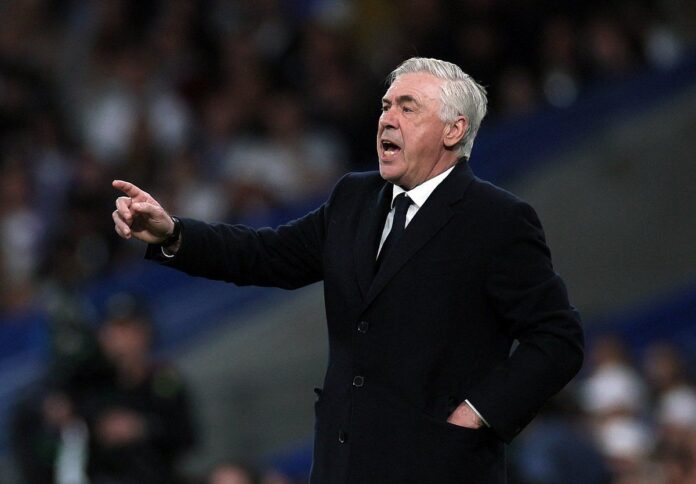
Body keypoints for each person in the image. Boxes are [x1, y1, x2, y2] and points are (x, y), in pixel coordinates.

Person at [112, 57, 583, 484]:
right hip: (341, 466)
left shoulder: (496, 220)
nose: (387, 119)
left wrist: (476, 413)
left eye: (408, 108)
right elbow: (264, 254)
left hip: (439, 468)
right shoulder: (354, 199)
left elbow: (557, 338)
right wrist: (173, 233)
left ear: (453, 130)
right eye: (385, 106)